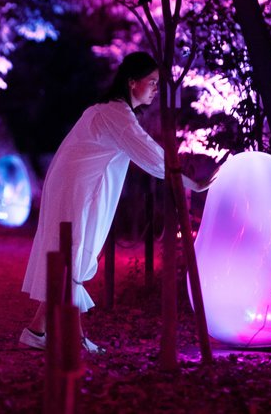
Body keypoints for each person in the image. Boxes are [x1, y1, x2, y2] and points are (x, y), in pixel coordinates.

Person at [19, 52, 210, 354]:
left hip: (74, 186)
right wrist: (190, 182)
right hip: (74, 189)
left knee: (70, 254)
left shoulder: (110, 111)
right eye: (151, 82)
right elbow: (149, 154)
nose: (155, 89)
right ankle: (72, 337)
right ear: (132, 83)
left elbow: (144, 151)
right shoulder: (116, 115)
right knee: (71, 253)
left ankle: (37, 331)